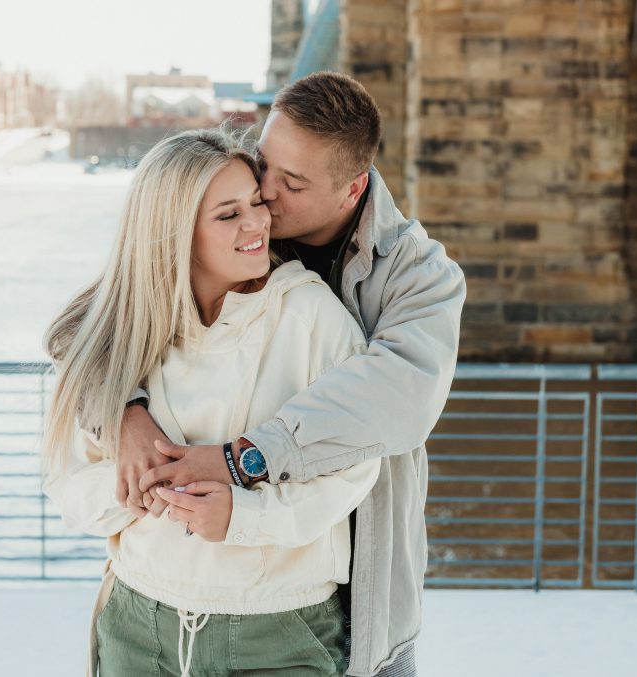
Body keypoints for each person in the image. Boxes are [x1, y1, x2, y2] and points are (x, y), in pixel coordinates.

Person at [119, 72, 467, 677]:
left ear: (352, 189)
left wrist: (240, 458)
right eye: (263, 163)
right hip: (205, 582)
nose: (264, 194)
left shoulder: (421, 276)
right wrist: (126, 404)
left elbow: (402, 398)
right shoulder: (240, 231)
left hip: (350, 585)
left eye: (292, 183)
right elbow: (96, 317)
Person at [41, 127, 380, 677]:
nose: (258, 224)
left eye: (256, 203)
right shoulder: (119, 339)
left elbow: (350, 473)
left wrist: (240, 516)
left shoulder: (312, 320)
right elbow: (67, 482)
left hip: (278, 634)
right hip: (139, 626)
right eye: (228, 215)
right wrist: (135, 486)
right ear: (175, 233)